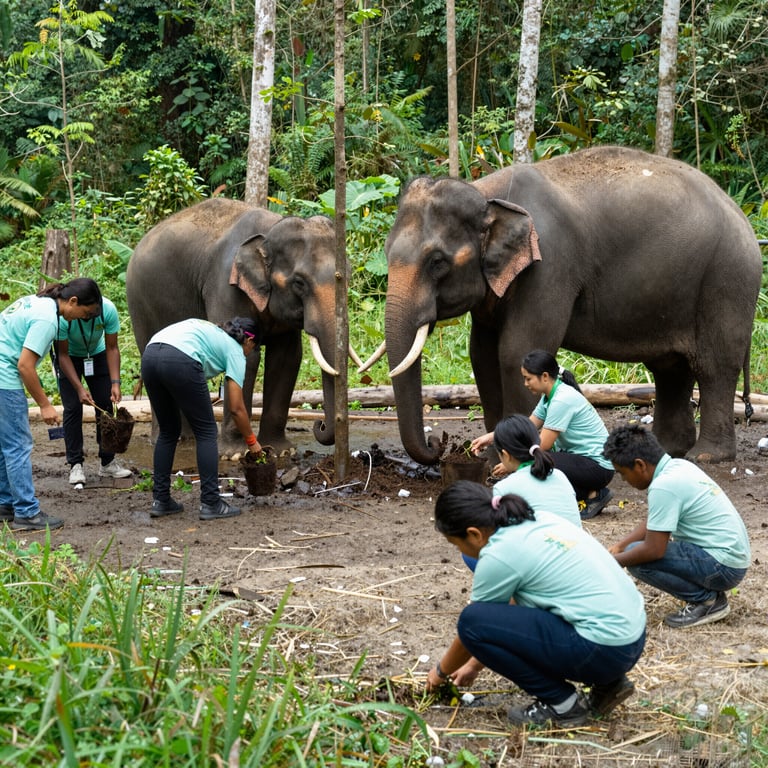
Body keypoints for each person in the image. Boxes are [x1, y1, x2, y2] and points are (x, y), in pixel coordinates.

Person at [425, 481, 646, 727]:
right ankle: (608, 683)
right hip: (631, 639)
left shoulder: (500, 553)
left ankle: (563, 704)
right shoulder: (534, 518)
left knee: (471, 621)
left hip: (603, 650)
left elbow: (476, 629)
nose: (460, 549)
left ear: (474, 534)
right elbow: (507, 620)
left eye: (456, 543)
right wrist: (475, 665)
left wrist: (440, 673)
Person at [603, 424, 750, 629]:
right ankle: (708, 597)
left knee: (636, 560)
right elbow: (657, 519)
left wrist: (611, 562)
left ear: (640, 465)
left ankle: (707, 601)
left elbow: (654, 550)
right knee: (630, 550)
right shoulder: (678, 466)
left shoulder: (664, 485)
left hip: (722, 567)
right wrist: (620, 545)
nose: (624, 480)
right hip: (731, 560)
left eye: (622, 473)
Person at [0, 278, 104, 531]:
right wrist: (45, 405)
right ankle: (26, 512)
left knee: (5, 445)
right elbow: (24, 366)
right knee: (18, 446)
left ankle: (5, 505)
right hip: (4, 378)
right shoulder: (47, 319)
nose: (81, 318)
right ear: (73, 301)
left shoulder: (35, 302)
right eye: (85, 313)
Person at [141, 317, 262, 521]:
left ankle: (161, 500)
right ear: (249, 341)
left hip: (150, 355)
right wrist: (252, 442)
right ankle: (211, 503)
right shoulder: (235, 350)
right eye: (255, 348)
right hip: (181, 359)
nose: (250, 352)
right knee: (207, 432)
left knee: (169, 430)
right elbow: (236, 408)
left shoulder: (212, 331)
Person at [471, 349, 614, 519]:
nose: (525, 383)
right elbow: (530, 425)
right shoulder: (549, 396)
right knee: (540, 464)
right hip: (582, 461)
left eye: (528, 378)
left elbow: (542, 445)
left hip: (599, 466)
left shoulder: (562, 399)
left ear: (545, 376)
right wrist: (490, 437)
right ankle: (590, 492)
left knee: (542, 460)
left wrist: (513, 462)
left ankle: (593, 494)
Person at [461, 414, 581, 571]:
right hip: (577, 558)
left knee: (471, 548)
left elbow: (504, 538)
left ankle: (514, 592)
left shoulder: (504, 487)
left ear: (506, 455)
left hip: (543, 569)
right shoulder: (559, 475)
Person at [54, 294, 132, 486]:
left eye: (93, 314)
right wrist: (79, 388)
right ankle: (75, 464)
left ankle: (107, 462)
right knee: (72, 408)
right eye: (86, 313)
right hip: (69, 358)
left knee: (105, 404)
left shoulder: (108, 310)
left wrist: (115, 383)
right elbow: (62, 354)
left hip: (96, 354)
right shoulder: (64, 317)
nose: (89, 317)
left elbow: (112, 348)